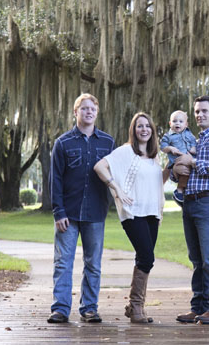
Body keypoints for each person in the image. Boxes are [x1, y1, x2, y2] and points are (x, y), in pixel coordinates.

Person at [48, 93, 115, 323]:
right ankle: (60, 309)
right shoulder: (63, 143)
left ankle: (89, 308)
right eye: (84, 108)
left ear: (97, 113)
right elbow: (55, 179)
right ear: (75, 112)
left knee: (93, 264)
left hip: (95, 213)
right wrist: (59, 212)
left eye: (92, 109)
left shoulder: (107, 142)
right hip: (68, 213)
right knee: (63, 262)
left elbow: (115, 175)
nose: (88, 112)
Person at [93, 112, 165, 323]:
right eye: (139, 126)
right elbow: (99, 167)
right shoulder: (125, 152)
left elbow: (157, 183)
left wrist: (169, 170)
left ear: (152, 130)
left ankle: (135, 308)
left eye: (147, 126)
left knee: (144, 259)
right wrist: (115, 187)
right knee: (147, 257)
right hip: (133, 212)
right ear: (133, 130)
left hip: (152, 212)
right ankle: (136, 306)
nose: (144, 129)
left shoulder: (155, 156)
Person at [171, 96, 209, 325]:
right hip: (190, 202)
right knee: (196, 259)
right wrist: (177, 168)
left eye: (204, 111)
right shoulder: (194, 140)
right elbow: (181, 170)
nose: (200, 115)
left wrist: (192, 161)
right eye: (197, 111)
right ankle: (199, 307)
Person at [159, 110, 198, 205]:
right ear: (170, 123)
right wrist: (170, 148)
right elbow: (162, 147)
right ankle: (179, 190)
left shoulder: (189, 134)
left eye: (181, 121)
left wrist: (193, 148)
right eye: (174, 121)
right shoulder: (168, 136)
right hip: (177, 161)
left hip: (189, 158)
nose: (177, 123)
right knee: (184, 171)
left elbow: (193, 142)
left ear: (186, 124)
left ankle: (185, 191)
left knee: (191, 172)